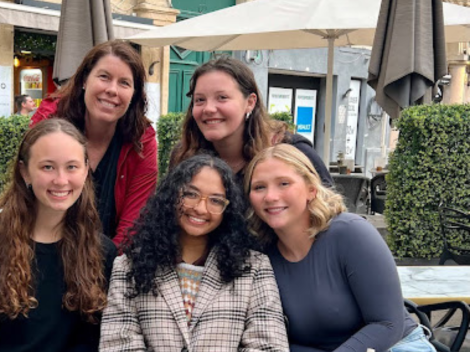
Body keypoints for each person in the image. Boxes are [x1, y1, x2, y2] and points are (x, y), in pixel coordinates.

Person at [0, 118, 117, 352]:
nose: (61, 180)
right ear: (25, 172)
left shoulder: (101, 253)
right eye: (47, 167)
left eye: (72, 166)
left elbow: (94, 340)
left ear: (85, 170)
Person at [244, 144, 436, 352]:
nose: (270, 196)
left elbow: (387, 324)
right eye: (259, 187)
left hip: (395, 346)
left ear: (311, 189)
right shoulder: (261, 255)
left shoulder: (350, 234)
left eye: (283, 183)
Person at [100, 154, 289, 352]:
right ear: (172, 196)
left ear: (228, 209)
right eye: (190, 194)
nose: (200, 208)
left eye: (216, 201)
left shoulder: (253, 267)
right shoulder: (129, 266)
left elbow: (269, 346)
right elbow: (118, 345)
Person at [30, 40, 157, 246]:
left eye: (124, 82)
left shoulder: (141, 140)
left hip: (111, 260)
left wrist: (108, 268)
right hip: (45, 249)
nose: (112, 90)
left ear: (134, 94)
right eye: (104, 77)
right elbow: (29, 195)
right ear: (84, 80)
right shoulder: (49, 123)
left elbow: (134, 223)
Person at [170, 56, 333, 187]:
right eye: (200, 100)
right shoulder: (184, 156)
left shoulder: (291, 151)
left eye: (222, 97)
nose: (209, 108)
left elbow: (331, 214)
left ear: (250, 102)